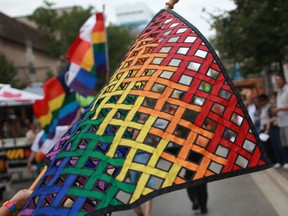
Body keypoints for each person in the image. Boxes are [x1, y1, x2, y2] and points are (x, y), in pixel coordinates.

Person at [272, 73, 288, 169]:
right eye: (276, 80)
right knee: (284, 144)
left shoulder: (287, 90)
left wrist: (279, 109)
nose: (277, 82)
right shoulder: (279, 92)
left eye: (279, 79)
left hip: (287, 121)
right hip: (281, 122)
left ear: (283, 80)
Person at [268, 92, 288, 168]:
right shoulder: (270, 108)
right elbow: (268, 117)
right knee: (275, 145)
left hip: (279, 126)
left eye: (273, 97)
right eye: (271, 98)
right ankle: (279, 161)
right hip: (272, 128)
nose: (272, 99)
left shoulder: (280, 106)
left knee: (281, 145)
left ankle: (285, 161)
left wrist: (276, 119)